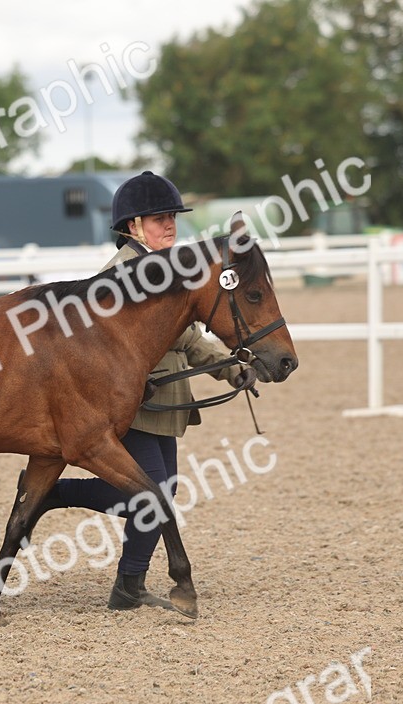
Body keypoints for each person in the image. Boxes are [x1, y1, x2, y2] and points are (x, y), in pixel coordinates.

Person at [31, 171, 255, 611]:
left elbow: (187, 340)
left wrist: (231, 372)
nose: (169, 225)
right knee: (154, 495)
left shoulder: (166, 273)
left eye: (171, 216)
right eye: (157, 218)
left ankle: (128, 582)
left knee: (159, 494)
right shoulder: (119, 277)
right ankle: (59, 498)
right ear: (132, 227)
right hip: (133, 403)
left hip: (165, 403)